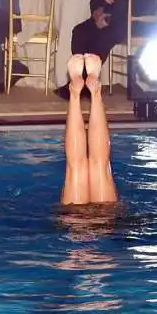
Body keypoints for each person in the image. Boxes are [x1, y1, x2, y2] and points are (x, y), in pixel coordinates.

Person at [61, 53, 117, 206]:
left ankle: (75, 92)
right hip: (102, 220)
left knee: (78, 167)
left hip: (79, 219)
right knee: (98, 166)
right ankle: (94, 91)